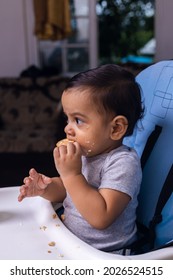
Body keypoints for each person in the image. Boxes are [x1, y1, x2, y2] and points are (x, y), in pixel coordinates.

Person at [18, 64, 144, 254]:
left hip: (107, 255)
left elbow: (101, 217)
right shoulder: (87, 153)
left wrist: (71, 175)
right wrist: (47, 187)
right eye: (67, 119)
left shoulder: (123, 163)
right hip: (71, 243)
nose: (68, 129)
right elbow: (70, 192)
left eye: (78, 120)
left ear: (116, 128)